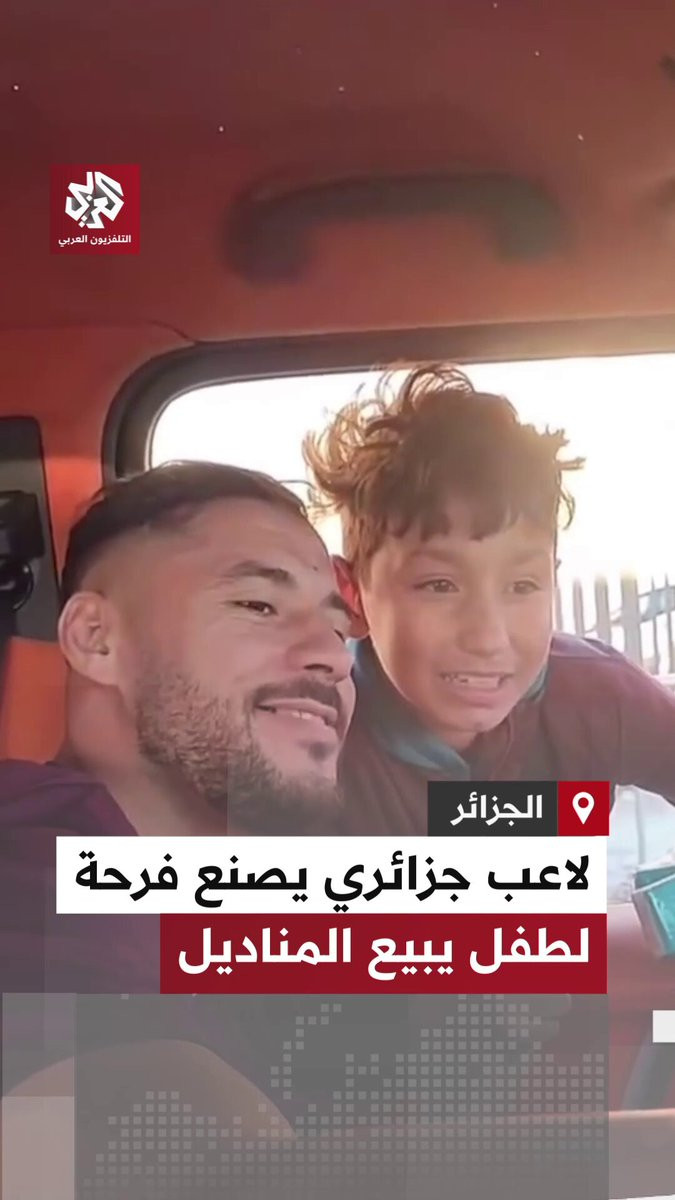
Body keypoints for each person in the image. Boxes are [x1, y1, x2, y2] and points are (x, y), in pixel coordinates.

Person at [0, 460, 354, 993]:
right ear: (95, 638)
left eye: (339, 629)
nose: (336, 656)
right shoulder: (35, 900)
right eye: (258, 605)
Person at [303, 363, 675, 834]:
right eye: (439, 585)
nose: (488, 638)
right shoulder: (312, 740)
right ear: (352, 595)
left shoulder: (596, 698)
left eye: (522, 586)